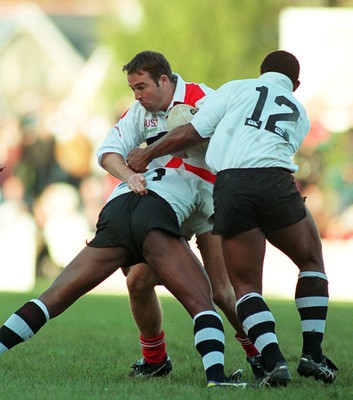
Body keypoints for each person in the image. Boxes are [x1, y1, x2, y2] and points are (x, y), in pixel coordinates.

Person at [126, 50, 338, 387]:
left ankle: (274, 361)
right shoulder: (300, 111)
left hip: (231, 185)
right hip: (277, 181)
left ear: (260, 72)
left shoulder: (235, 88)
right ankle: (312, 352)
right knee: (311, 262)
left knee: (245, 287)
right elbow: (276, 149)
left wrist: (146, 153)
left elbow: (190, 133)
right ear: (295, 84)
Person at [0, 166, 248, 388]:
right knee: (201, 299)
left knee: (58, 296)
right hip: (153, 217)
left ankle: (260, 354)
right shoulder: (179, 149)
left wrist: (139, 162)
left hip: (119, 210)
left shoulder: (173, 146)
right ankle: (211, 375)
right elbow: (111, 154)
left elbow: (110, 155)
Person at [96, 50, 263, 379]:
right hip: (168, 200)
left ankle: (259, 355)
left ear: (163, 80)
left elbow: (237, 138)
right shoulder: (140, 112)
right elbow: (108, 151)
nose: (138, 96)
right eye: (133, 90)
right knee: (139, 281)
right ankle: (156, 360)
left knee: (224, 293)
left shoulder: (205, 98)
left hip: (208, 199)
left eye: (141, 87)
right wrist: (129, 176)